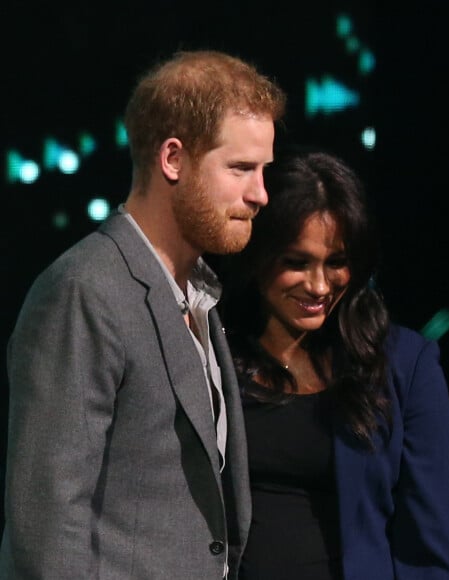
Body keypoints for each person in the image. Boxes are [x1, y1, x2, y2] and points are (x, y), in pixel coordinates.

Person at [0, 50, 286, 579]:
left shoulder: (199, 292)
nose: (260, 194)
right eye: (241, 168)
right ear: (172, 159)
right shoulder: (83, 290)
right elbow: (47, 525)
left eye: (263, 170)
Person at [218, 150, 449, 579]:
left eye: (337, 263)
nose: (318, 285)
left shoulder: (407, 366)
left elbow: (428, 551)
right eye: (297, 262)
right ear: (258, 256)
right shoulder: (212, 352)